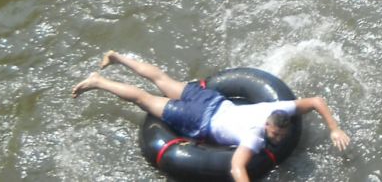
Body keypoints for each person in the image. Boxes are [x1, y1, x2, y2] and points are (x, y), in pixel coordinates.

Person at [72, 51, 350, 182]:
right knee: (143, 98)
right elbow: (237, 168)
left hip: (211, 99)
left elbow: (316, 101)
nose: (276, 137)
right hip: (197, 118)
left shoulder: (280, 110)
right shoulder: (255, 137)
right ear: (268, 126)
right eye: (275, 134)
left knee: (160, 78)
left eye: (280, 135)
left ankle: (117, 58)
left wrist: (334, 129)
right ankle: (99, 81)